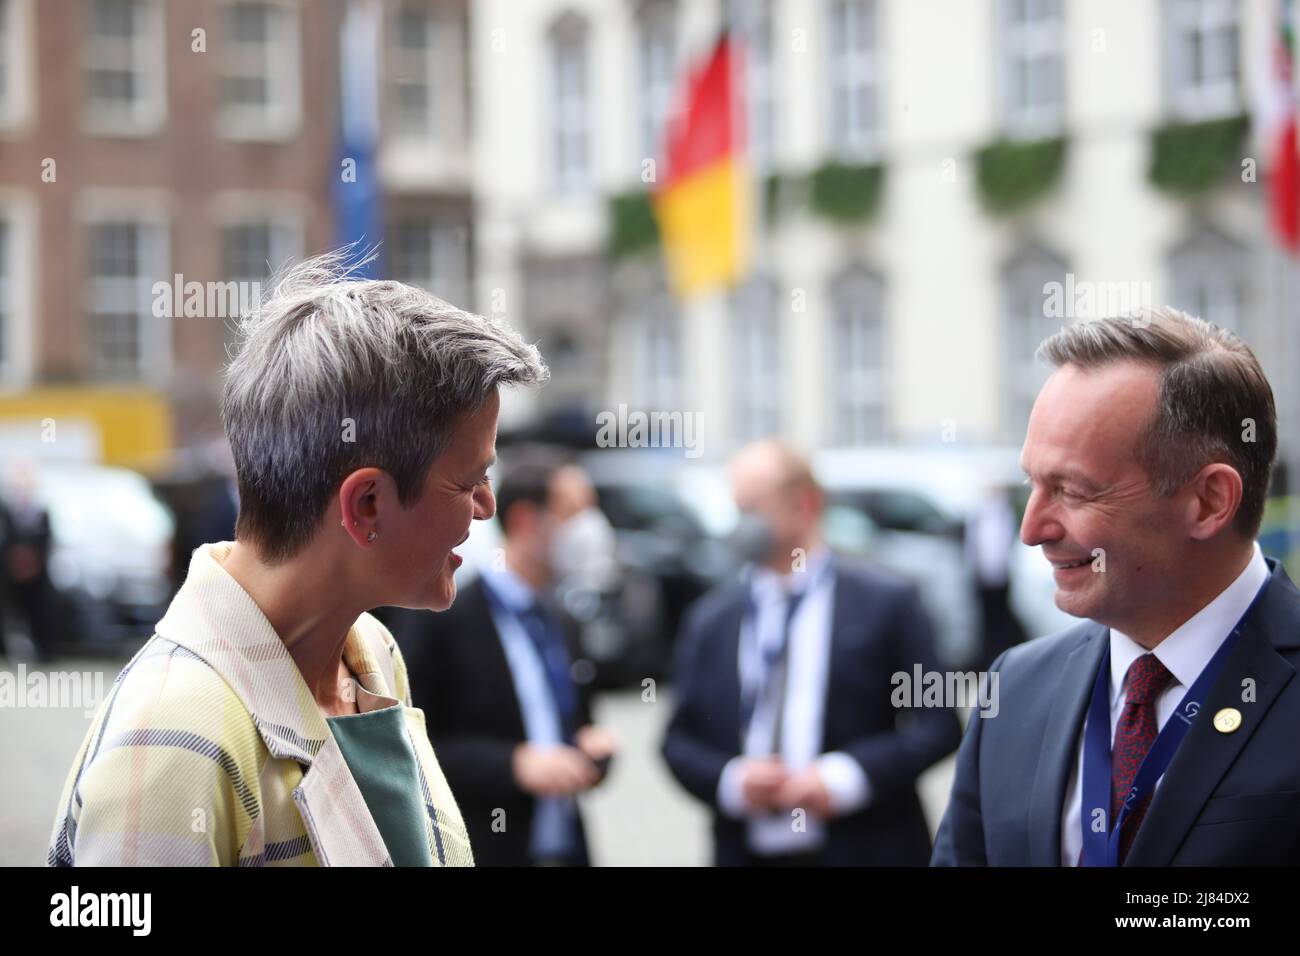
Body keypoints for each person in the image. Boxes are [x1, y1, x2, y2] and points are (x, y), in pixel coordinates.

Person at [47, 251, 548, 866]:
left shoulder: (370, 657)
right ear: (365, 504)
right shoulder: (173, 737)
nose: (486, 507)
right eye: (471, 480)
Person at [933, 307, 1300, 866]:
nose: (1031, 530)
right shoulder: (1016, 690)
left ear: (1208, 502)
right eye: (1033, 483)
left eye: (1074, 491)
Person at [662, 440, 961, 866]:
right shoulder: (712, 618)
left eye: (753, 508)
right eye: (737, 508)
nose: (741, 525)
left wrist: (843, 778)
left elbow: (939, 724)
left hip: (867, 848)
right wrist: (733, 782)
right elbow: (678, 740)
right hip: (747, 852)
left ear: (804, 503)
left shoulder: (888, 600)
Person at [390, 451, 619, 866]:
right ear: (526, 521)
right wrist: (512, 765)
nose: (590, 529)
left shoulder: (562, 619)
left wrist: (591, 747)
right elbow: (410, 747)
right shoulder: (447, 619)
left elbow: (575, 722)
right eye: (573, 512)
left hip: (565, 848)